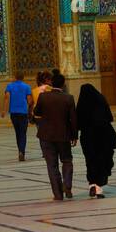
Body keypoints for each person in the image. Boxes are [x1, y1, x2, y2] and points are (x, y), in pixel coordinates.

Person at [33, 72, 78, 201]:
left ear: (51, 82)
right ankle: (67, 186)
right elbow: (73, 119)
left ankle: (58, 194)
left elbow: (37, 112)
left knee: (52, 165)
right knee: (67, 160)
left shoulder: (43, 97)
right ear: (63, 84)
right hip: (63, 135)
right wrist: (74, 136)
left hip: (46, 136)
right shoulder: (68, 98)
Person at [76, 84, 116, 198]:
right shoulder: (101, 99)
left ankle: (92, 184)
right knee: (102, 160)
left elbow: (78, 122)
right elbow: (109, 117)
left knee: (90, 161)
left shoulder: (82, 103)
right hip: (103, 135)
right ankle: (98, 187)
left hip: (87, 137)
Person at [3, 74, 34, 160]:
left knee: (17, 133)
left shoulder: (10, 86)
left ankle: (19, 150)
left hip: (13, 112)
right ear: (23, 78)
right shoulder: (27, 87)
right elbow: (29, 100)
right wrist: (29, 109)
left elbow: (6, 97)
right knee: (23, 133)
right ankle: (22, 151)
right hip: (23, 112)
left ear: (15, 77)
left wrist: (4, 110)